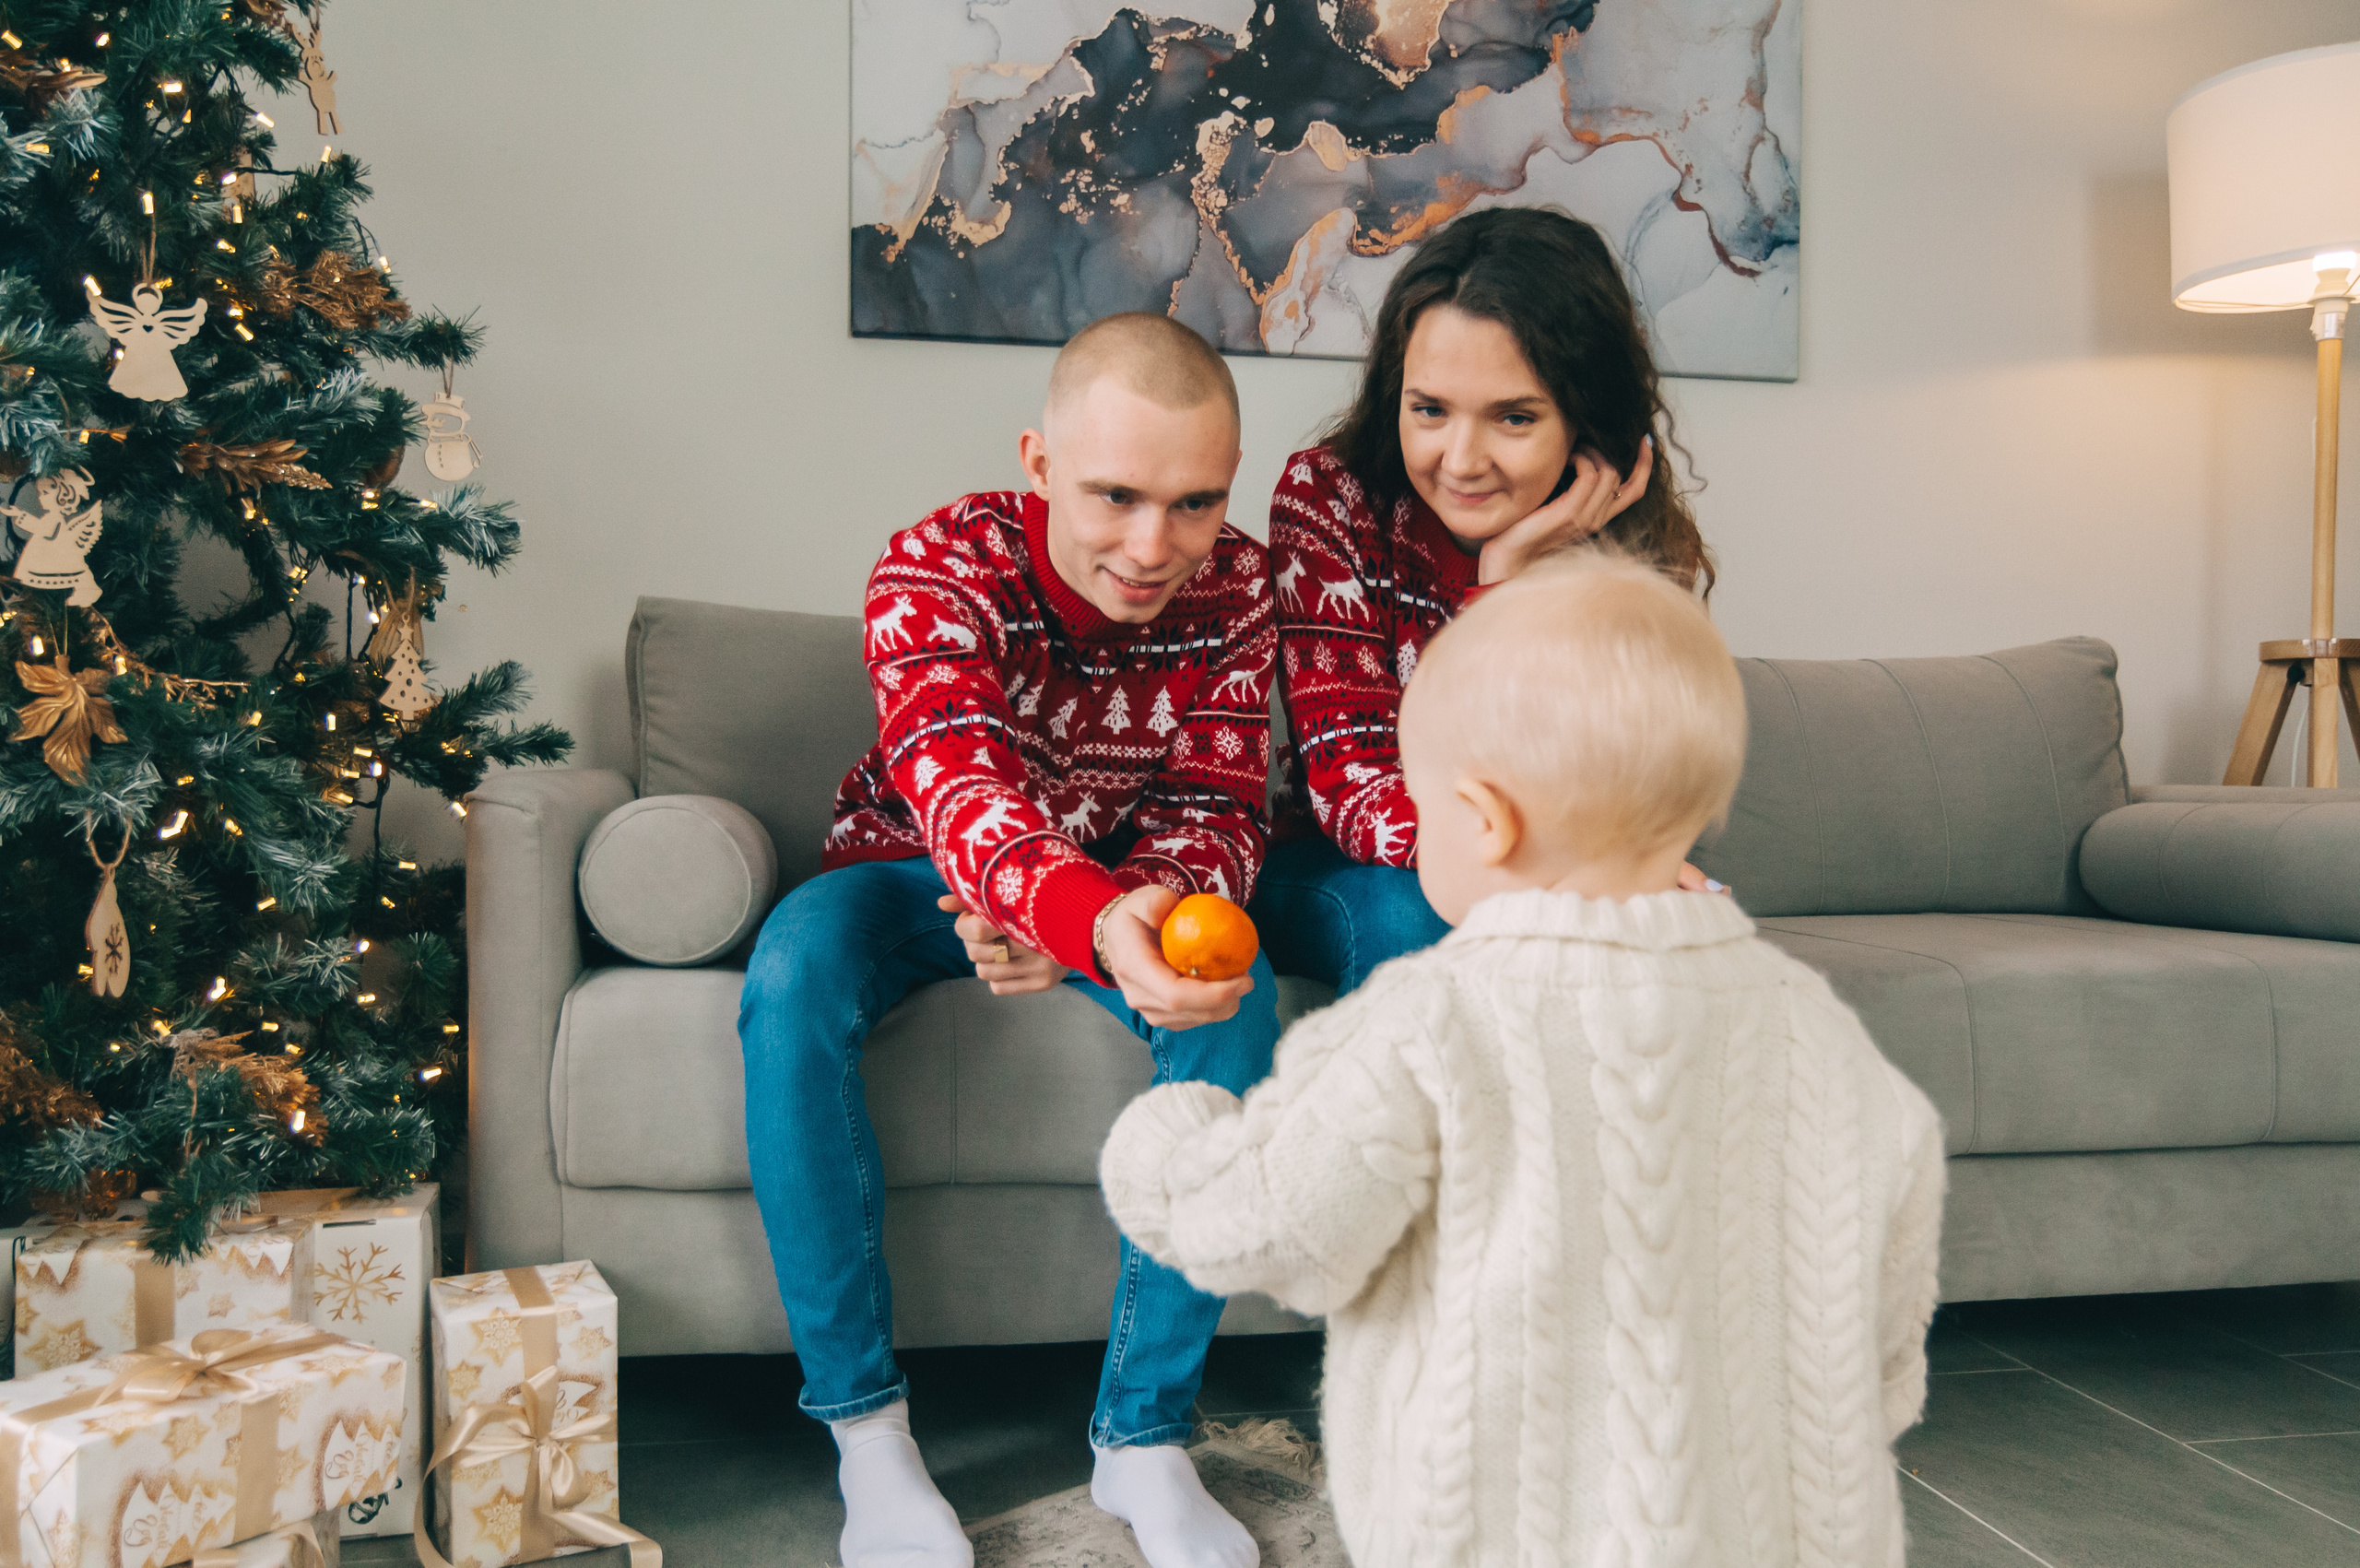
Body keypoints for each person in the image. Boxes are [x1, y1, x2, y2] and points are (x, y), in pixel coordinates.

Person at [1101, 555, 1945, 1566]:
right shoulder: (1816, 1028)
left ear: (1484, 819)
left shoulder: (1426, 1018)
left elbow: (1273, 1226)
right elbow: (1888, 1323)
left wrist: (1165, 1142)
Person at [739, 313, 1280, 1568]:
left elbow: (1218, 809)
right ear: (1038, 464)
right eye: (1116, 496)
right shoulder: (938, 563)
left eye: (1195, 503)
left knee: (1234, 998)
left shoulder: (1243, 588)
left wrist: (1093, 924)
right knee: (791, 974)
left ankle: (1143, 1438)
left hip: (1113, 893)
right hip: (909, 868)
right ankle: (868, 1440)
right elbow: (957, 781)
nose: (1155, 548)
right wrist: (1078, 913)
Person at [1254, 206, 1720, 997]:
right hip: (1336, 864)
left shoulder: (1624, 551)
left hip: (1536, 868)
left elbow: (1630, 786)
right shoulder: (1327, 500)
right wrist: (1499, 585)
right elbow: (1356, 789)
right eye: (1430, 409)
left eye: (1513, 417)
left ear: (1584, 421)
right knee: (1419, 918)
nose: (1461, 461)